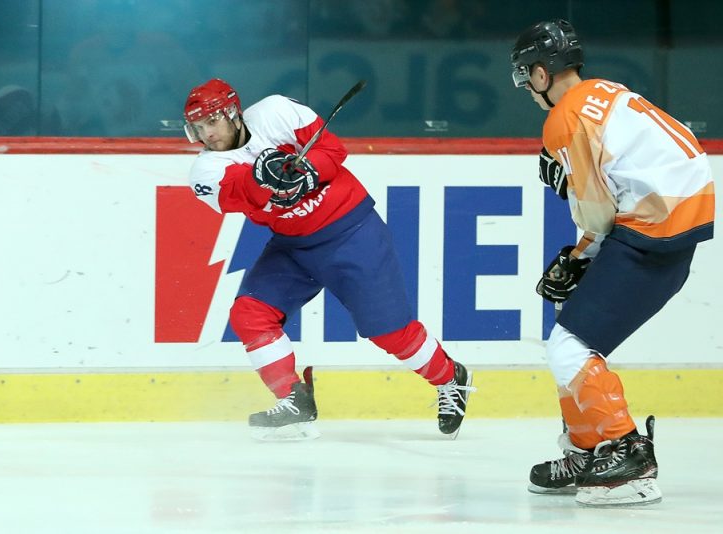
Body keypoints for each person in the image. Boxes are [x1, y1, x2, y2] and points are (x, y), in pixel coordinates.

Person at [183, 78, 474, 441]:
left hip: (352, 231)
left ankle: (451, 378)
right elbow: (240, 192)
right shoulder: (205, 172)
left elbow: (332, 151)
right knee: (249, 314)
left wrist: (306, 173)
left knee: (390, 333)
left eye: (211, 122)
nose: (206, 134)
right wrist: (265, 177)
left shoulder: (275, 112)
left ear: (232, 113)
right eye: (198, 127)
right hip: (293, 247)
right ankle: (295, 399)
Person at [511, 20, 714, 506]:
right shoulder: (605, 90)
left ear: (541, 75)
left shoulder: (564, 117)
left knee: (569, 346)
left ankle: (627, 456)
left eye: (527, 80)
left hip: (652, 232)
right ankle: (588, 448)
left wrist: (579, 256)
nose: (529, 91)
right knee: (567, 339)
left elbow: (597, 212)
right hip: (674, 221)